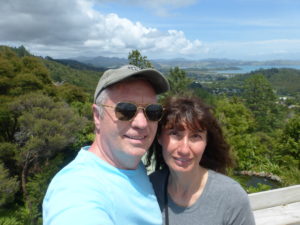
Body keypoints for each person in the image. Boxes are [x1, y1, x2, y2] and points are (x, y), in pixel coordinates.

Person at [43, 65, 169, 225]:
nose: (142, 123)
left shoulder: (130, 166)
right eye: (125, 110)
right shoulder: (77, 187)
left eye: (152, 111)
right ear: (97, 116)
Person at [147, 96, 256, 225]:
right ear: (159, 137)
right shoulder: (150, 188)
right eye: (175, 134)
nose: (184, 149)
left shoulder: (230, 197)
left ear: (206, 142)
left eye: (195, 136)